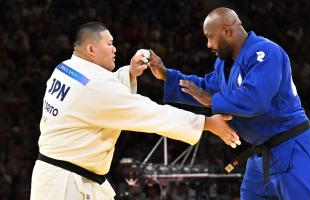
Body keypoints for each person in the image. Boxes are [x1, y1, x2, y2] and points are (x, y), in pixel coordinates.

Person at [30, 22, 240, 200]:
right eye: (110, 44)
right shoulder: (95, 86)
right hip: (66, 186)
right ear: (91, 49)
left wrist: (128, 73)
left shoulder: (66, 68)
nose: (115, 49)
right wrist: (207, 123)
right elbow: (149, 113)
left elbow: (98, 94)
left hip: (58, 177)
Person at [148, 7, 310, 199]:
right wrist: (166, 75)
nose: (208, 44)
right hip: (261, 157)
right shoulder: (224, 64)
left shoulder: (265, 52)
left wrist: (211, 100)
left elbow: (255, 99)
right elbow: (203, 88)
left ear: (227, 31)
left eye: (210, 37)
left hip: (293, 149)